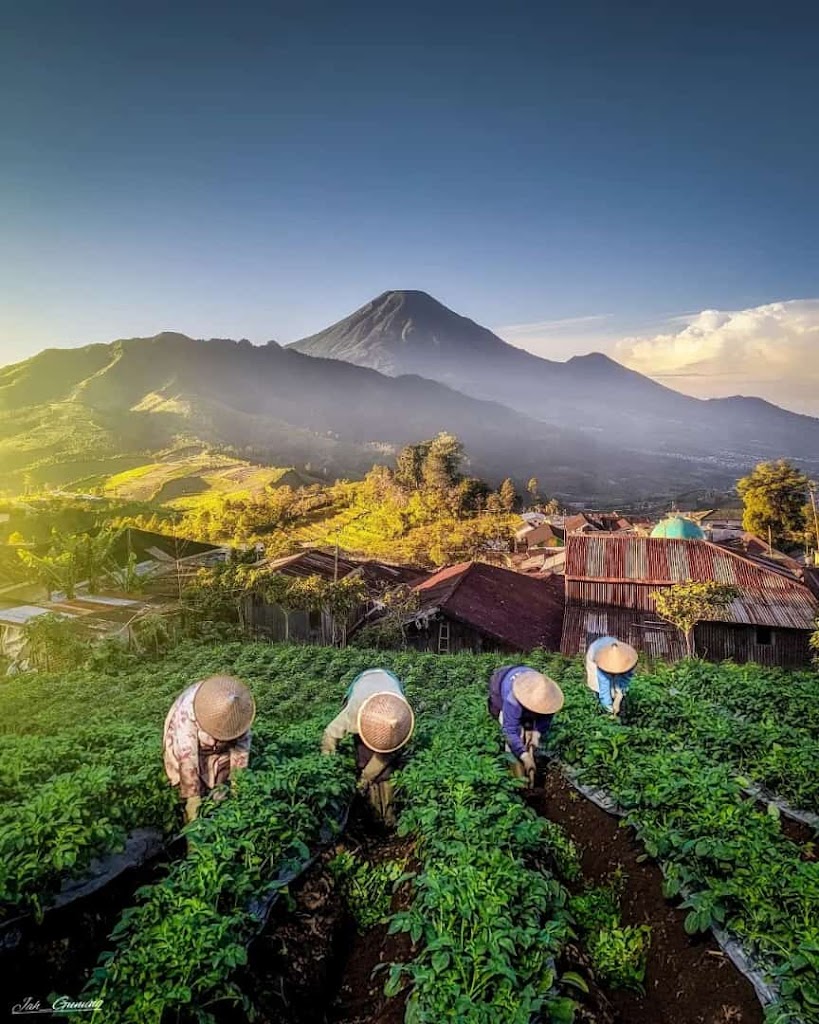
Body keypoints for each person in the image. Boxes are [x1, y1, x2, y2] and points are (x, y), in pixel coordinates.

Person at [321, 668, 414, 827]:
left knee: (385, 772)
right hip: (363, 704)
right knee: (365, 757)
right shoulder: (356, 708)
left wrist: (365, 778)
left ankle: (388, 819)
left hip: (391, 718)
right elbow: (331, 733)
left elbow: (389, 753)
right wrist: (329, 764)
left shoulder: (398, 714)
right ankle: (371, 816)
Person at [163, 674, 256, 824]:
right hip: (189, 746)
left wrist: (237, 789)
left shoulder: (240, 713)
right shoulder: (188, 710)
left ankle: (217, 814)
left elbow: (240, 753)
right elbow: (187, 758)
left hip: (220, 752)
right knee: (190, 793)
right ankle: (187, 820)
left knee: (220, 787)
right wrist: (193, 798)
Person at [488, 666, 564, 786]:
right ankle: (518, 782)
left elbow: (542, 724)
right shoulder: (512, 700)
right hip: (501, 682)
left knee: (528, 735)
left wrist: (533, 739)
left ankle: (530, 778)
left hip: (525, 676)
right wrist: (525, 756)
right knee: (513, 744)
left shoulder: (548, 698)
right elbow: (510, 732)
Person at [585, 637, 638, 716]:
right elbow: (604, 688)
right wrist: (609, 709)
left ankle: (619, 704)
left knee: (617, 689)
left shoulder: (628, 659)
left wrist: (620, 694)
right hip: (595, 654)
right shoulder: (602, 664)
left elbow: (626, 678)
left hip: (613, 646)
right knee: (598, 687)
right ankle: (601, 709)